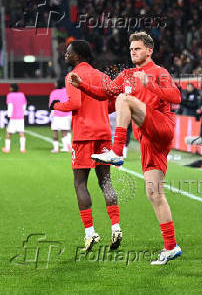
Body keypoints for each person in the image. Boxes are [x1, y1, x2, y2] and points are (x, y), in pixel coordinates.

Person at [68, 32, 182, 265]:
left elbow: (176, 96)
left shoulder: (159, 72)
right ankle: (171, 246)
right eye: (131, 49)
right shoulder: (126, 75)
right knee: (154, 193)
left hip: (162, 127)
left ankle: (117, 151)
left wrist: (150, 84)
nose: (133, 52)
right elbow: (105, 93)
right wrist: (84, 86)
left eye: (138, 49)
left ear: (149, 51)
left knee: (124, 100)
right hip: (148, 139)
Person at [51, 40, 121, 252]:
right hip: (103, 133)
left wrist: (56, 106)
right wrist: (100, 113)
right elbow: (112, 100)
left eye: (68, 52)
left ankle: (90, 234)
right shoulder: (101, 75)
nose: (65, 55)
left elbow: (75, 104)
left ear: (78, 55)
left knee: (80, 183)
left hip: (83, 135)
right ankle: (116, 227)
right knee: (105, 181)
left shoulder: (72, 76)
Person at [49, 79, 72, 153]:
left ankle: (56, 149)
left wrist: (52, 114)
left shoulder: (54, 92)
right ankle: (68, 146)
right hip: (68, 114)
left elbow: (51, 105)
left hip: (57, 114)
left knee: (55, 131)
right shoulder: (68, 91)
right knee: (66, 131)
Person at [2, 83, 27, 153]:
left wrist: (9, 115)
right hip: (21, 117)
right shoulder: (22, 95)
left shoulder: (10, 95)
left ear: (12, 88)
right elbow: (24, 105)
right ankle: (22, 149)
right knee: (21, 132)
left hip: (13, 117)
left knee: (8, 133)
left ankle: (7, 148)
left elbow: (10, 106)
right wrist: (23, 113)